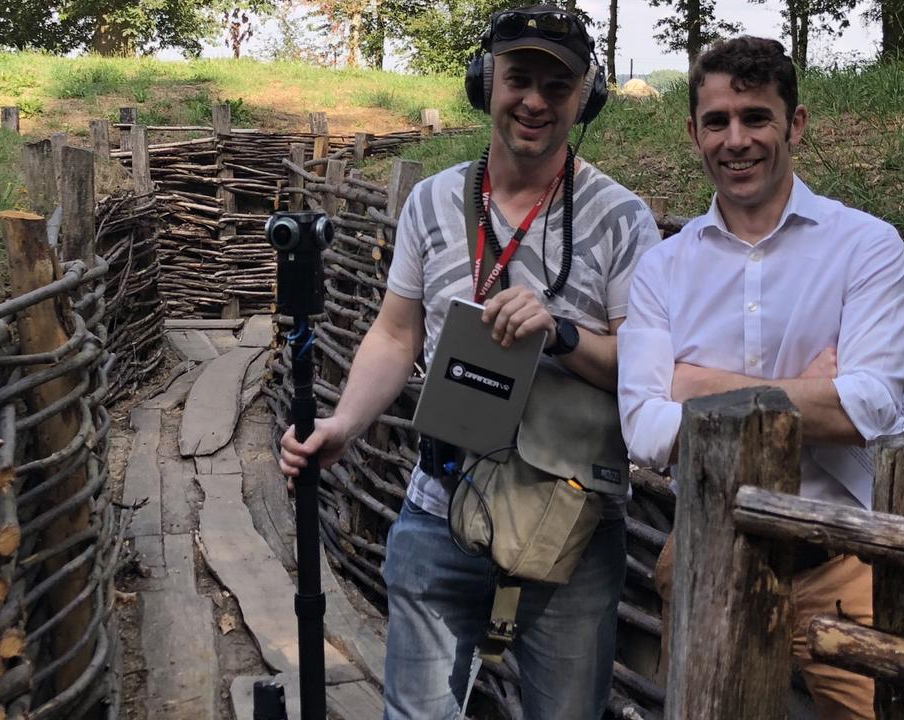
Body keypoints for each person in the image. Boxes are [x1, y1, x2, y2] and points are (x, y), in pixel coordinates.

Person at [280, 6, 661, 718]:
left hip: (571, 523)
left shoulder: (621, 217)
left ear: (587, 97)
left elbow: (645, 369)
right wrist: (346, 425)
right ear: (485, 80)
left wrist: (563, 335)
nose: (536, 101)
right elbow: (396, 336)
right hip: (439, 507)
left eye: (559, 85)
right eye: (519, 77)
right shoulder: (431, 203)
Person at [617, 36, 904, 720]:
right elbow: (643, 427)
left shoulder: (864, 247)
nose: (736, 139)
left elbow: (868, 406)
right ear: (693, 132)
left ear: (795, 124)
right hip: (707, 553)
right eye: (717, 121)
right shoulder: (663, 269)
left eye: (756, 117)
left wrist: (694, 384)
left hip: (843, 563)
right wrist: (808, 392)